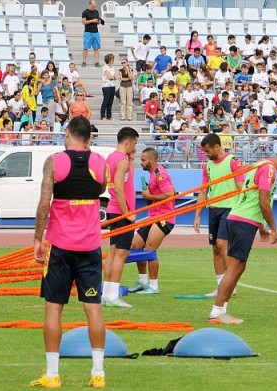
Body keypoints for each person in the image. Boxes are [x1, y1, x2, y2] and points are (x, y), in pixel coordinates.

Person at [30, 116, 109, 388]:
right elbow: (101, 189)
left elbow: (44, 205)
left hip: (60, 247)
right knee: (93, 309)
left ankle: (52, 375)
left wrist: (37, 238)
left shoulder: (54, 162)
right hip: (90, 246)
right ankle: (98, 374)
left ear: (67, 133)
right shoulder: (101, 163)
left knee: (54, 308)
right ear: (89, 139)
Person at [208, 146, 277, 324]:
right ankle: (217, 312)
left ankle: (221, 310)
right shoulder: (269, 169)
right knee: (235, 267)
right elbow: (263, 201)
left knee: (239, 267)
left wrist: (260, 226)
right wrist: (273, 228)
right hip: (243, 221)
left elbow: (251, 198)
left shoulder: (260, 164)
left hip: (240, 219)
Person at [193, 134, 245, 297]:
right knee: (215, 248)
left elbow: (241, 187)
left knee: (222, 244)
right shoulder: (207, 166)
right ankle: (221, 286)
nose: (206, 154)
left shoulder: (233, 162)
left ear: (217, 146)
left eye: (208, 151)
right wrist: (197, 215)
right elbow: (203, 191)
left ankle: (230, 286)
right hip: (213, 209)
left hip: (229, 208)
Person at [125, 149, 176, 295]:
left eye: (143, 160)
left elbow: (169, 194)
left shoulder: (160, 174)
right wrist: (149, 196)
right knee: (135, 246)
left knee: (150, 249)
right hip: (153, 216)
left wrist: (149, 194)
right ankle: (142, 281)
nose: (141, 163)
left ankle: (154, 286)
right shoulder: (153, 174)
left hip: (164, 217)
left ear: (151, 160)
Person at [102, 127, 140, 308]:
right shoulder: (121, 161)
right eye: (135, 143)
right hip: (121, 212)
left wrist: (131, 160)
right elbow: (118, 188)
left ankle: (107, 294)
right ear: (128, 142)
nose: (135, 147)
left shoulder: (112, 157)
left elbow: (123, 183)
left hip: (113, 209)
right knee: (122, 254)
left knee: (113, 253)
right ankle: (112, 296)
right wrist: (128, 214)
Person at [81, 0, 104, 67]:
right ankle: (84, 61)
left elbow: (97, 20)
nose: (94, 7)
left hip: (96, 32)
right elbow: (83, 22)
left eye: (95, 6)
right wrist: (92, 21)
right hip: (88, 32)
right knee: (86, 48)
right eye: (93, 6)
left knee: (96, 48)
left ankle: (97, 62)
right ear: (90, 5)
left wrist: (98, 22)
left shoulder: (96, 12)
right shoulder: (85, 12)